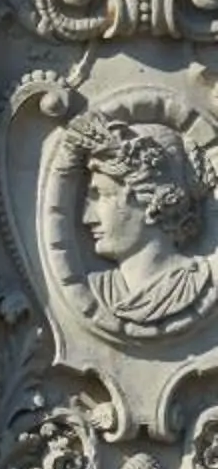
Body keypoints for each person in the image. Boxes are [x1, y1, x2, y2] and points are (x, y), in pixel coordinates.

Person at [80, 114, 217, 340]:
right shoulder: (101, 287)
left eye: (103, 196)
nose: (87, 218)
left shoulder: (198, 282)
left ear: (153, 202)